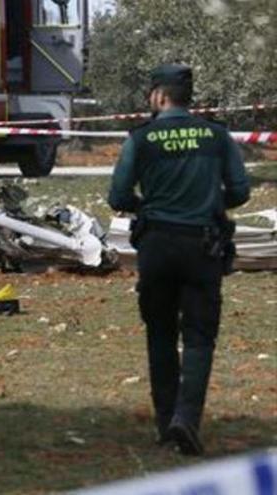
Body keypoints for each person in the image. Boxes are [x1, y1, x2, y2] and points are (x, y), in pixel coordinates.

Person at [108, 64, 250, 456]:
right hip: (202, 247)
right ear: (189, 97)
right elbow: (239, 191)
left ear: (158, 96)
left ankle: (164, 421)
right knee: (201, 336)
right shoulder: (216, 136)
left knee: (160, 333)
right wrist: (205, 202)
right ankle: (187, 419)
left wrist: (150, 205)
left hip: (156, 245)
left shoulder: (142, 138)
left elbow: (118, 197)